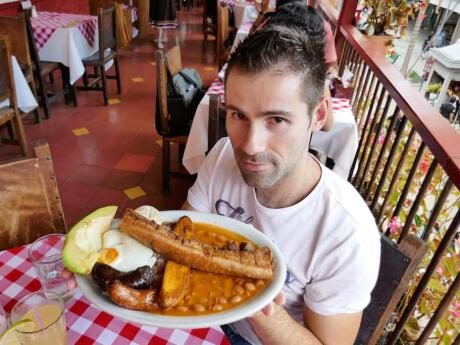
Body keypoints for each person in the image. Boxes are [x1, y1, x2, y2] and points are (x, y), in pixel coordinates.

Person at [183, 25, 380, 344]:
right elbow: (183, 234)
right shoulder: (222, 156)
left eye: (276, 120)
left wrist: (251, 294)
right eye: (238, 115)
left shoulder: (346, 232)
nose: (250, 145)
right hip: (202, 317)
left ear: (317, 115)